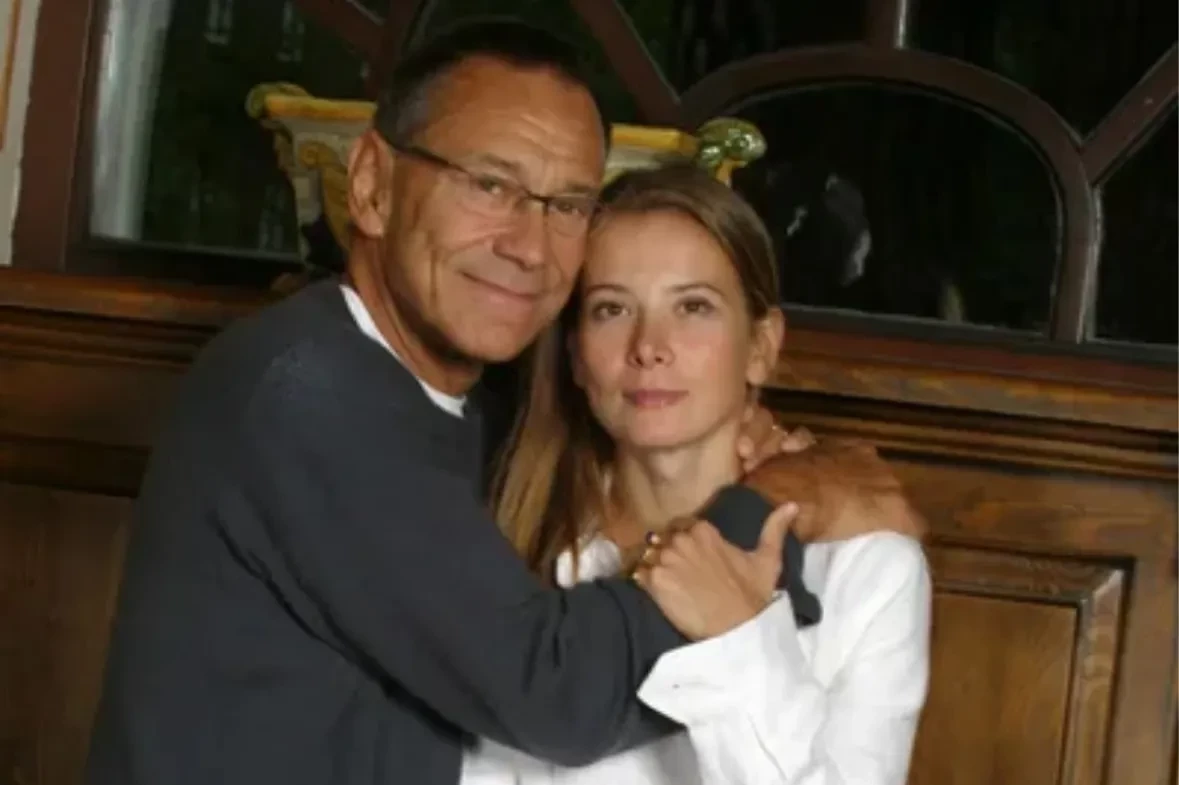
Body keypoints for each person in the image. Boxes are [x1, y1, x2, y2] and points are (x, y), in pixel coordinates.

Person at [85, 19, 925, 785]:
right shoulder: (308, 390)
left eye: (567, 205)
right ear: (371, 185)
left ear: (761, 343)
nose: (528, 245)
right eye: (489, 185)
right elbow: (553, 692)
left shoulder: (485, 426)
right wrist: (770, 506)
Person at [463, 165, 930, 785]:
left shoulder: (867, 569)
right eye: (611, 309)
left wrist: (739, 636)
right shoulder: (505, 541)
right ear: (575, 354)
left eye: (693, 307)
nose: (649, 346)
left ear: (761, 346)